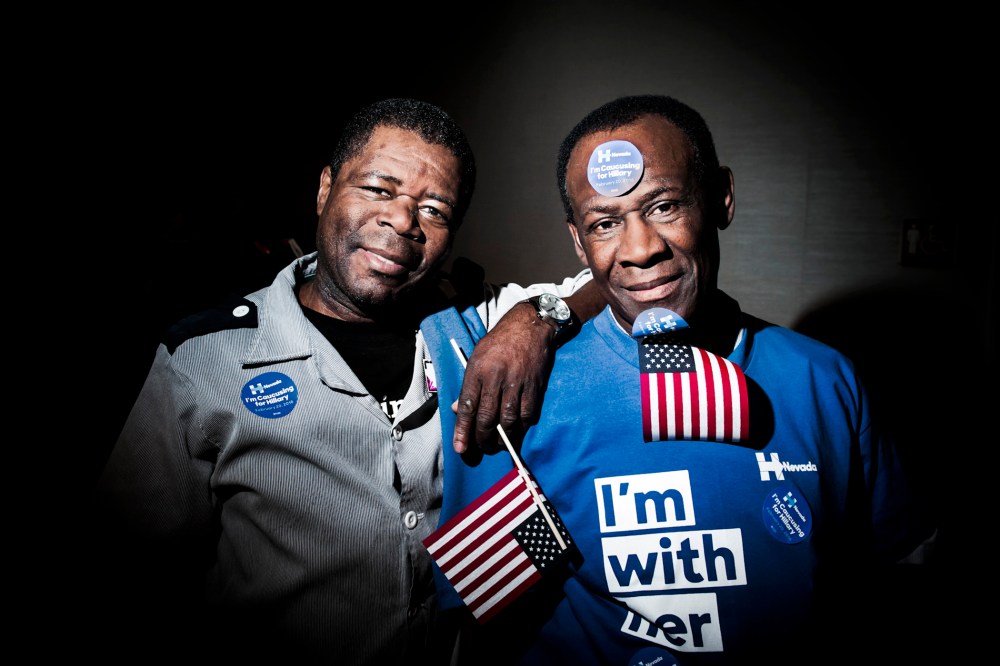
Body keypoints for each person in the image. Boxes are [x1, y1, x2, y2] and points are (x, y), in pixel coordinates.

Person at [422, 94, 935, 664]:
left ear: (721, 198)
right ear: (577, 241)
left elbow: (895, 569)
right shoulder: (529, 390)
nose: (641, 250)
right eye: (605, 223)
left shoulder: (824, 381)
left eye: (665, 206)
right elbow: (486, 613)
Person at [91, 97, 603, 663]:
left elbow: (612, 275)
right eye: (379, 190)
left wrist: (537, 318)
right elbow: (127, 575)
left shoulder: (476, 327)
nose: (402, 221)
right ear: (325, 188)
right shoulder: (203, 359)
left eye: (434, 209)